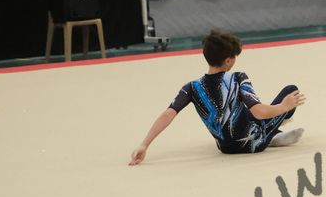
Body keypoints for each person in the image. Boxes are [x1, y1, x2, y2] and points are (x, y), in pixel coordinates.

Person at [127, 29, 306, 165]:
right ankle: (272, 134)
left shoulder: (192, 87)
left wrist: (144, 145)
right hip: (254, 143)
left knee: (242, 111)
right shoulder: (238, 77)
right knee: (291, 91)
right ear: (228, 60)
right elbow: (259, 111)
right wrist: (284, 106)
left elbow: (168, 114)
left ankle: (274, 132)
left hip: (225, 148)